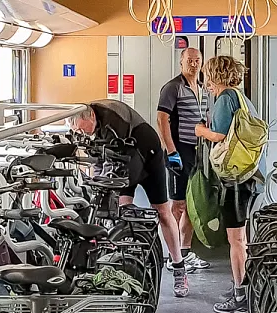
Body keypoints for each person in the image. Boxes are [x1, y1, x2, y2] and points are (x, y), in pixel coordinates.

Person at [68, 101, 188, 294]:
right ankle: (128, 253)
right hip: (122, 160)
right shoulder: (86, 129)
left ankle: (178, 267)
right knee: (120, 210)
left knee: (163, 212)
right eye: (78, 132)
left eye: (84, 130)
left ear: (91, 117)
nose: (83, 135)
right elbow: (97, 162)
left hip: (146, 153)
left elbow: (117, 160)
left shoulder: (112, 118)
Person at [193, 55, 260, 313]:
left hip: (234, 179)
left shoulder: (224, 99)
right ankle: (239, 285)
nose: (206, 82)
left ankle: (240, 296)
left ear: (215, 76)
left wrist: (201, 131)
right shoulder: (242, 98)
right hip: (249, 174)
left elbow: (219, 135)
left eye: (208, 76)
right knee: (241, 237)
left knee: (236, 239)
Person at [156, 44, 210, 295]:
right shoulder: (173, 87)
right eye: (189, 60)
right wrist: (171, 151)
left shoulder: (203, 89)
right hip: (179, 151)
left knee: (192, 203)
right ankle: (173, 255)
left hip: (198, 151)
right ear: (181, 62)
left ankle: (185, 252)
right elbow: (162, 119)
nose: (193, 64)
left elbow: (204, 120)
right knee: (178, 206)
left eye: (197, 60)